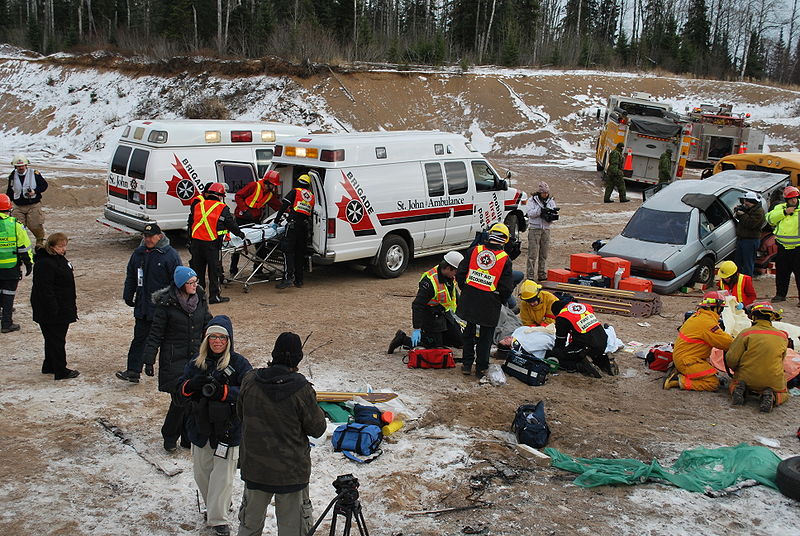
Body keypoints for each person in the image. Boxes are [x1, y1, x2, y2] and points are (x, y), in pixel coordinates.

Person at [237, 332, 327, 536]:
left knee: (249, 527)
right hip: (291, 471)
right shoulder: (302, 389)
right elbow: (318, 429)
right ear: (298, 358)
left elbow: (240, 414)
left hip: (255, 468)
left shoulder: (250, 380)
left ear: (274, 353)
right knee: (293, 530)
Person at [179, 315, 253, 536]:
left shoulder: (239, 364)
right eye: (213, 337)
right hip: (200, 428)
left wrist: (225, 393)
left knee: (222, 477)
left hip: (228, 429)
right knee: (202, 474)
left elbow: (250, 393)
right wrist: (191, 385)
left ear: (229, 340)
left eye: (222, 337)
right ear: (206, 339)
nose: (217, 341)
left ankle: (218, 520)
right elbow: (179, 393)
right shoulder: (196, 363)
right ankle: (216, 506)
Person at [142, 266, 212, 452]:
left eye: (196, 281)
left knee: (194, 398)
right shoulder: (167, 304)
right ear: (181, 284)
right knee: (181, 399)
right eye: (190, 282)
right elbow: (155, 333)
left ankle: (187, 438)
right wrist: (149, 358)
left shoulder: (200, 299)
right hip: (174, 359)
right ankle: (170, 436)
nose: (194, 285)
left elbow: (208, 323)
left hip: (196, 358)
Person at [116, 223, 182, 383]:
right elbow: (131, 275)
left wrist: (174, 303)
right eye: (145, 236)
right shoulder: (138, 254)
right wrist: (128, 294)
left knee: (166, 342)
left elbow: (178, 282)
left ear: (159, 236)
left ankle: (172, 373)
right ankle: (133, 371)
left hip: (162, 309)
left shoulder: (170, 255)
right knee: (139, 339)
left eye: (151, 236)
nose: (148, 239)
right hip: (143, 307)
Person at [456, 222, 514, 378]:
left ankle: (467, 364)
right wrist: (500, 299)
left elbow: (461, 273)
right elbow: (506, 287)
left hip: (470, 297)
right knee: (486, 337)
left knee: (468, 332)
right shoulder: (504, 259)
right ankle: (481, 368)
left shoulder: (475, 250)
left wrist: (467, 290)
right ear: (505, 240)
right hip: (489, 301)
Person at [388, 251, 464, 354]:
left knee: (459, 341)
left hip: (443, 313)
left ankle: (438, 337)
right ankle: (403, 339)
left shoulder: (448, 275)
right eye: (455, 271)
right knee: (434, 347)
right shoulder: (429, 282)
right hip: (430, 315)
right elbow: (417, 305)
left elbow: (453, 293)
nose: (456, 274)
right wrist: (417, 328)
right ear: (448, 268)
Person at [30, 232, 79, 380]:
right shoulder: (46, 263)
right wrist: (54, 309)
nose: (64, 249)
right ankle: (60, 369)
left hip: (59, 306)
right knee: (57, 339)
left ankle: (49, 365)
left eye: (65, 246)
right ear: (51, 246)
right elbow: (46, 289)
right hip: (53, 309)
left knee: (52, 338)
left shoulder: (55, 258)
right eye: (60, 246)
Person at [726, 302, 790, 413]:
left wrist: (735, 370)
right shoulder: (782, 336)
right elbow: (781, 359)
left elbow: (732, 359)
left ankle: (739, 389)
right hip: (772, 380)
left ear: (753, 316)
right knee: (783, 393)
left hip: (746, 377)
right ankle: (773, 397)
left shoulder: (746, 333)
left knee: (734, 383)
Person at [188, 182, 245, 304]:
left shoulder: (199, 205)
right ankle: (214, 296)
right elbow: (231, 224)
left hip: (196, 243)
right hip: (211, 244)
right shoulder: (222, 207)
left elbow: (191, 221)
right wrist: (240, 234)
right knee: (214, 271)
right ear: (220, 196)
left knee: (198, 271)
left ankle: (199, 296)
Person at [664, 291, 733, 391]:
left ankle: (682, 372)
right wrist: (741, 341)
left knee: (711, 371)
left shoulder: (698, 316)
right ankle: (677, 381)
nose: (721, 311)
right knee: (713, 383)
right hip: (687, 361)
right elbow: (727, 343)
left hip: (683, 358)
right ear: (716, 307)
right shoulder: (707, 323)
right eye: (721, 308)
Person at [550, 296, 618, 377]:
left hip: (588, 345)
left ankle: (582, 366)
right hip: (603, 340)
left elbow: (560, 340)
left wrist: (555, 353)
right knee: (586, 349)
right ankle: (604, 361)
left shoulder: (562, 317)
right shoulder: (585, 306)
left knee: (561, 356)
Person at [230, 170, 282, 276]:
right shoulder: (254, 186)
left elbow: (278, 206)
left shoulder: (270, 195)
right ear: (268, 183)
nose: (275, 187)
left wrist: (292, 211)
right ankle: (233, 269)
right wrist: (244, 210)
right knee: (238, 245)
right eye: (273, 185)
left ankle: (258, 270)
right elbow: (238, 196)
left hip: (255, 220)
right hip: (242, 218)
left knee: (261, 247)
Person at [274, 173, 315, 289]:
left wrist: (276, 222)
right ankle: (299, 280)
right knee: (299, 253)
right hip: (304, 227)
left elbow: (283, 206)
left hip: (293, 226)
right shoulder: (312, 196)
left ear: (298, 182)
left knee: (288, 251)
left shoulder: (295, 191)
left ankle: (288, 278)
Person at [0, 194, 33, 333]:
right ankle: (6, 323)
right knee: (8, 294)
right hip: (10, 267)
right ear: (9, 209)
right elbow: (24, 248)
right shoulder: (15, 225)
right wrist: (29, 264)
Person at [767, 185, 800, 304]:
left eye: (796, 198)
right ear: (786, 200)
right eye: (791, 199)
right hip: (782, 248)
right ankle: (780, 295)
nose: (794, 201)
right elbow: (770, 219)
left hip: (798, 249)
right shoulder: (780, 208)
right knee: (782, 273)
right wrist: (784, 212)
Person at [6, 154, 47, 248]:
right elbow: (10, 190)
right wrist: (8, 204)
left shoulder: (35, 173)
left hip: (33, 205)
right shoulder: (12, 175)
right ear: (15, 166)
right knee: (18, 227)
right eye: (18, 166)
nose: (20, 167)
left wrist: (35, 191)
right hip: (17, 206)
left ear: (26, 165)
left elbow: (44, 185)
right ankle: (21, 245)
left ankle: (40, 243)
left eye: (22, 165)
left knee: (35, 225)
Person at [525, 181, 557, 282]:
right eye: (544, 193)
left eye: (547, 193)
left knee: (544, 254)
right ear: (539, 192)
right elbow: (530, 213)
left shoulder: (551, 201)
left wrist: (551, 216)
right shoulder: (532, 200)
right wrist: (540, 211)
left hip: (546, 229)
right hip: (534, 229)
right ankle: (530, 275)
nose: (545, 195)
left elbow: (553, 214)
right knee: (532, 254)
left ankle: (542, 274)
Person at [733, 191, 766, 277]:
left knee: (748, 263)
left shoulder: (759, 212)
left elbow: (751, 224)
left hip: (750, 241)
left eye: (747, 201)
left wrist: (742, 215)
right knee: (738, 262)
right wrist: (738, 210)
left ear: (752, 202)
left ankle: (747, 282)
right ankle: (738, 281)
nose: (745, 203)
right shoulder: (749, 209)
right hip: (742, 240)